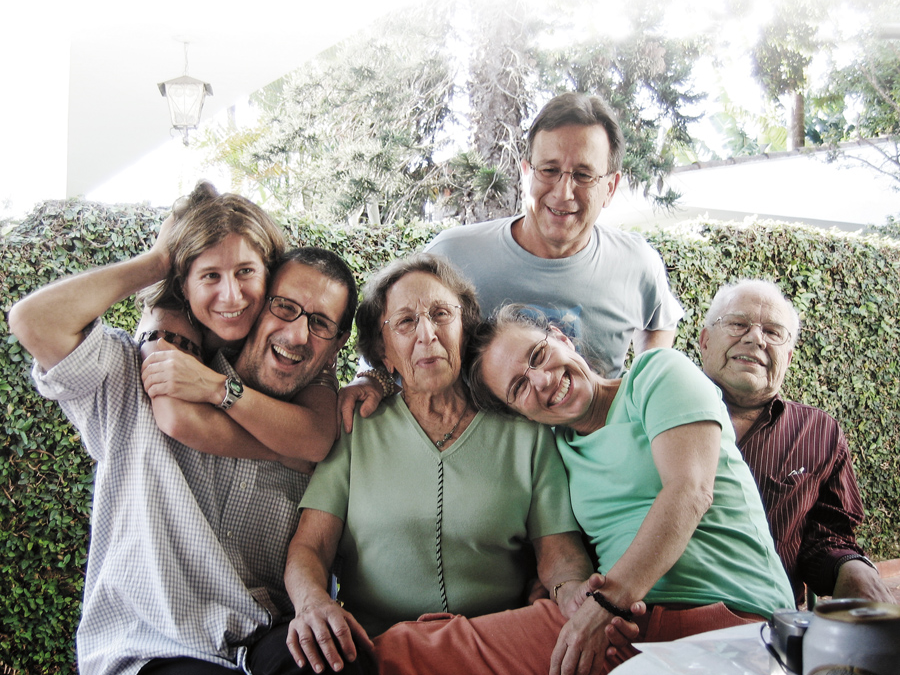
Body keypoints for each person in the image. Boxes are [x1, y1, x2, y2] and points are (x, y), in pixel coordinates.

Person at [276, 254, 640, 675]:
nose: (427, 335)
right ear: (383, 350)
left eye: (441, 314)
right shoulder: (355, 426)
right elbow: (310, 547)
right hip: (375, 653)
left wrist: (571, 593)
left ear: (465, 327)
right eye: (406, 322)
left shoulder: (526, 432)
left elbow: (559, 556)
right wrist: (312, 602)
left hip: (493, 650)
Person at [8, 246, 357, 675]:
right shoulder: (141, 372)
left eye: (319, 323)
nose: (297, 335)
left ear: (339, 342)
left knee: (341, 663)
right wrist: (161, 261)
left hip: (263, 639)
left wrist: (373, 379)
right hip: (150, 647)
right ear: (254, 304)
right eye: (284, 307)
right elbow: (37, 322)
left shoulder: (328, 427)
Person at [467, 304, 795, 673]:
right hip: (617, 625)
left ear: (561, 338)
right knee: (409, 650)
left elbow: (690, 491)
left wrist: (607, 602)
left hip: (728, 614)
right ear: (520, 415)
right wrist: (571, 592)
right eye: (519, 387)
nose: (541, 380)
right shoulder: (554, 446)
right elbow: (558, 553)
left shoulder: (657, 373)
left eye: (539, 356)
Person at [340, 92, 684, 429]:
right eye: (549, 170)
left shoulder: (636, 262)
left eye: (583, 175)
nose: (564, 192)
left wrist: (645, 392)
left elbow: (660, 326)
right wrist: (373, 378)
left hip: (592, 473)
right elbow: (393, 332)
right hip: (489, 468)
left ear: (610, 187)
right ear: (526, 173)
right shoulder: (454, 254)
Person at [698, 279, 895, 606]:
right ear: (705, 341)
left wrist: (854, 569)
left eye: (773, 332)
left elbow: (829, 537)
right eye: (737, 324)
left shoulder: (819, 433)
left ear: (788, 358)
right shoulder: (650, 412)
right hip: (653, 613)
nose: (755, 338)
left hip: (764, 623)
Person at [138, 181, 339, 462]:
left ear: (270, 273)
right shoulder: (170, 316)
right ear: (183, 284)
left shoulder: (288, 334)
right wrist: (154, 263)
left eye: (245, 271)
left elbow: (315, 439)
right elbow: (177, 417)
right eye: (210, 275)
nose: (232, 297)